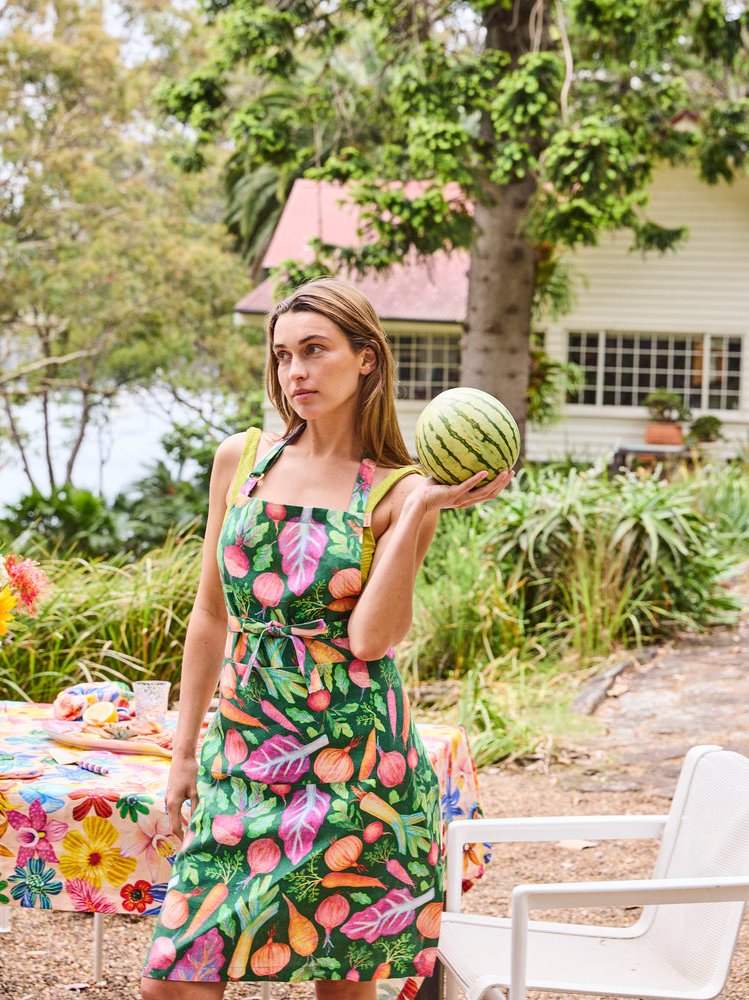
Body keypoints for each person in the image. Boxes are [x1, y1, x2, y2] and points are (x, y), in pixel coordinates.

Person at [140, 277, 513, 1000]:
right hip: (244, 751)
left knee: (343, 984)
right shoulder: (241, 460)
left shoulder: (401, 491)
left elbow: (373, 638)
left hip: (358, 763)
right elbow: (209, 617)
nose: (296, 373)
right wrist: (183, 755)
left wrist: (414, 516)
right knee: (174, 980)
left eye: (315, 351)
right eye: (283, 356)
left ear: (367, 358)